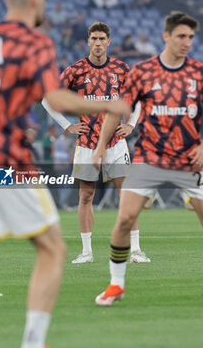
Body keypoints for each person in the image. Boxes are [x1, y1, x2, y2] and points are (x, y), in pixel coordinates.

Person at [0, 0, 130, 347]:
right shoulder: (35, 41)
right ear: (31, 2)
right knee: (52, 248)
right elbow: (55, 98)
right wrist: (106, 104)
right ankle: (33, 341)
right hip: (4, 160)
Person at [93, 11, 203, 306]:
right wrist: (101, 146)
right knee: (125, 218)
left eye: (191, 37)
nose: (187, 42)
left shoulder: (198, 72)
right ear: (166, 36)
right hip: (149, 157)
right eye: (181, 36)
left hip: (188, 160)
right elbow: (117, 110)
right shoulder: (143, 71)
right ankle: (116, 284)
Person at [43, 22, 150, 264]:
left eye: (102, 39)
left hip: (116, 143)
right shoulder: (75, 70)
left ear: (109, 42)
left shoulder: (122, 69)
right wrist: (66, 125)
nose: (98, 43)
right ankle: (86, 252)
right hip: (86, 143)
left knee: (127, 195)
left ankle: (135, 250)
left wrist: (132, 124)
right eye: (94, 39)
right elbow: (48, 100)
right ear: (88, 41)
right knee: (86, 196)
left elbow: (140, 98)